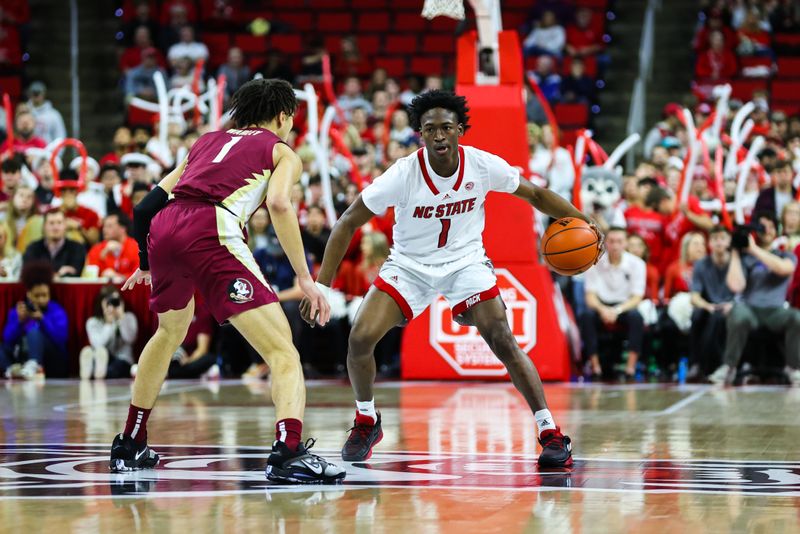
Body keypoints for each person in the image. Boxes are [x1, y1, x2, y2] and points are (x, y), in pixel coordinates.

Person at [302, 90, 599, 467]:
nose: (439, 135)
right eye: (430, 129)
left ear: (460, 130)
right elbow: (347, 222)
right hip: (409, 265)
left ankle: (550, 432)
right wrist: (323, 286)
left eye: (446, 127)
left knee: (503, 339)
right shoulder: (403, 174)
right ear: (420, 135)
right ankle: (366, 419)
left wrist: (585, 222)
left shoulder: (482, 165)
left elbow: (537, 195)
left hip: (465, 263)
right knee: (360, 337)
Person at [108, 78, 344, 484]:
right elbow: (279, 204)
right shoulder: (281, 151)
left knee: (168, 334)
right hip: (211, 228)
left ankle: (129, 443)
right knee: (283, 351)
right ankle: (288, 453)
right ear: (284, 116)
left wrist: (147, 262)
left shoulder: (205, 141)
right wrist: (305, 278)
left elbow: (146, 207)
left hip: (165, 228)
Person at [709, 211, 800, 386]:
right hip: (750, 309)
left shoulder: (785, 255)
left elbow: (784, 269)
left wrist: (753, 249)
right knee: (738, 313)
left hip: (776, 310)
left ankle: (794, 368)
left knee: (797, 317)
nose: (766, 231)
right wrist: (736, 252)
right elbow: (736, 286)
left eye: (770, 227)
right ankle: (729, 367)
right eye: (762, 227)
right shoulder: (745, 257)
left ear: (776, 231)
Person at [579, 227, 645, 381]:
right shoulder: (594, 262)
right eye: (611, 241)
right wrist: (603, 310)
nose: (615, 245)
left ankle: (630, 368)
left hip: (624, 306)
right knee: (586, 316)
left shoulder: (637, 264)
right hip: (601, 305)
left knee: (637, 317)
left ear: (625, 243)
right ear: (605, 243)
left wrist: (617, 310)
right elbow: (590, 296)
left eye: (619, 241)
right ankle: (595, 367)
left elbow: (637, 297)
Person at [0, 261, 68, 378]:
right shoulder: (18, 310)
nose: (41, 299)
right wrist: (19, 322)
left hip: (51, 359)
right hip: (21, 355)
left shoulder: (56, 310)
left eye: (44, 295)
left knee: (34, 331)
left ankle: (33, 366)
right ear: (29, 294)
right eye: (37, 296)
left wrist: (43, 319)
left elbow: (61, 339)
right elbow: (7, 339)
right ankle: (11, 371)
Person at [689, 226, 735, 380]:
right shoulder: (701, 264)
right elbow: (694, 296)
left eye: (722, 238)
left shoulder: (737, 261)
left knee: (718, 319)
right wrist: (706, 306)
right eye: (715, 239)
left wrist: (732, 305)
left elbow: (745, 292)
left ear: (729, 241)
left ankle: (715, 366)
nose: (719, 242)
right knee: (697, 316)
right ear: (709, 243)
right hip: (710, 306)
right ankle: (695, 364)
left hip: (733, 305)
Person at [81, 285, 138, 379]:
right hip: (102, 358)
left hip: (122, 359)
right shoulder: (93, 322)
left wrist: (121, 318)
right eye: (108, 302)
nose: (112, 305)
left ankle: (94, 373)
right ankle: (91, 369)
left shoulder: (128, 317)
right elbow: (98, 345)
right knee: (101, 354)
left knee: (115, 369)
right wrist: (108, 323)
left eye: (115, 301)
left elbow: (130, 339)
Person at [23, 210, 86, 279]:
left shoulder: (77, 248)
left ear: (65, 226)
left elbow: (75, 274)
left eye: (59, 223)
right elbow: (28, 274)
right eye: (51, 223)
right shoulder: (33, 248)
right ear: (44, 227)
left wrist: (42, 274)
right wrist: (58, 274)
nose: (55, 228)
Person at [167, 299, 218, 379]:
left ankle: (176, 373)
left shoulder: (202, 313)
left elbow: (202, 349)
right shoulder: (169, 313)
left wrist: (188, 360)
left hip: (191, 360)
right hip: (173, 358)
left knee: (209, 359)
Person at [86, 212, 139, 280]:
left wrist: (119, 277)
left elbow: (141, 275)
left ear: (122, 229)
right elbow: (90, 277)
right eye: (104, 226)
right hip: (103, 289)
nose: (104, 229)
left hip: (131, 289)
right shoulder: (96, 249)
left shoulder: (136, 247)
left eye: (109, 226)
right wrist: (102, 256)